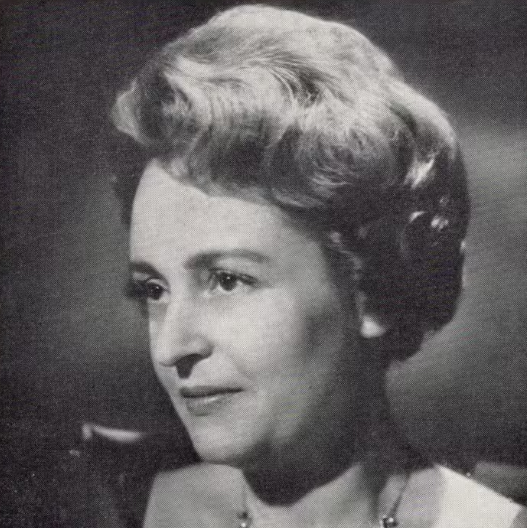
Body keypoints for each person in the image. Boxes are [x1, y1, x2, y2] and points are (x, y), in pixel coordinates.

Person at [110, 5, 526, 527]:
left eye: (227, 280)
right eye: (153, 290)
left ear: (375, 292)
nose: (170, 348)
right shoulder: (110, 505)